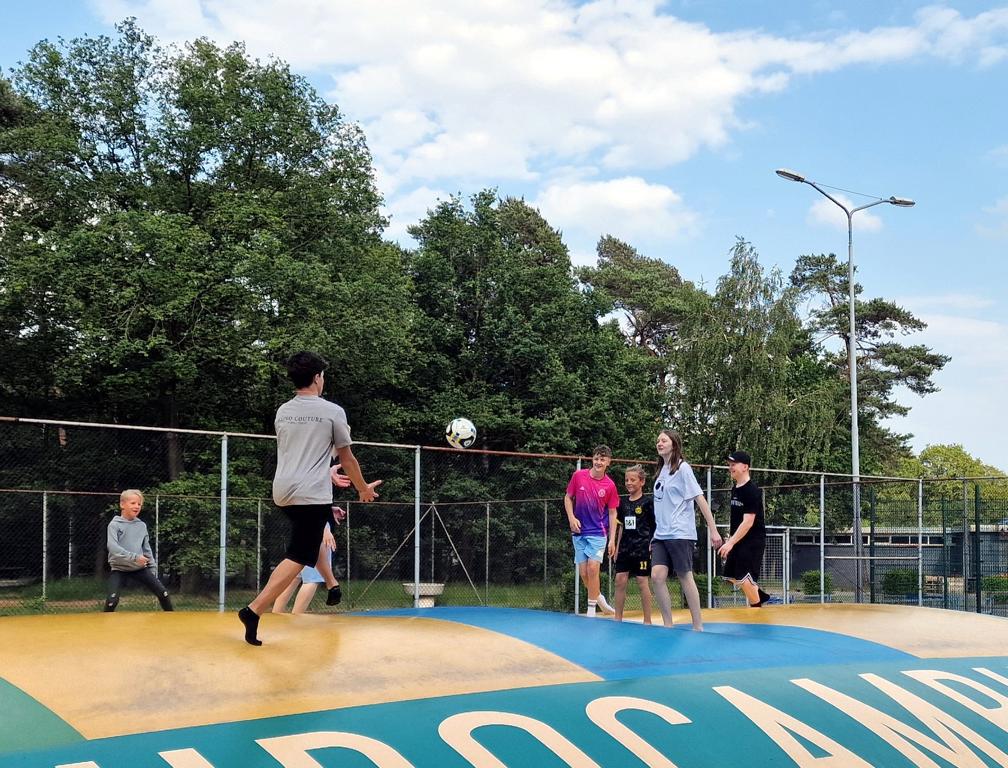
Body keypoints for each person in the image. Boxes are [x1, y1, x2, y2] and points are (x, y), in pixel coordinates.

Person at [239, 351, 379, 645]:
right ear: (317, 378)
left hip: (283, 491)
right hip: (310, 494)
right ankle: (254, 610)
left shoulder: (283, 411)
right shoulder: (333, 412)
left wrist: (326, 472)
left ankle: (331, 584)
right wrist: (363, 488)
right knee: (300, 556)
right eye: (323, 376)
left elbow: (302, 452)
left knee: (311, 541)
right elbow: (347, 458)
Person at [651, 429, 723, 631]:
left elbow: (699, 498)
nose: (659, 443)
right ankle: (668, 624)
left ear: (674, 444)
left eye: (664, 440)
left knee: (684, 575)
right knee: (657, 576)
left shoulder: (683, 468)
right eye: (658, 441)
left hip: (680, 532)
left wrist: (713, 529)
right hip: (661, 534)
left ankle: (698, 625)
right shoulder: (661, 471)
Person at [564, 445, 619, 617]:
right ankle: (600, 600)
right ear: (592, 459)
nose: (598, 462)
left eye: (602, 459)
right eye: (596, 458)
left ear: (608, 462)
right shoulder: (578, 476)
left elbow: (613, 513)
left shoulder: (610, 485)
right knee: (584, 573)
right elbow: (568, 497)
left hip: (598, 532)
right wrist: (571, 518)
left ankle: (591, 610)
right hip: (579, 532)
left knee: (593, 568)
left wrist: (612, 540)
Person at [718, 450, 773, 607]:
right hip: (738, 539)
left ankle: (757, 608)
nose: (730, 467)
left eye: (734, 464)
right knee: (731, 576)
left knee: (744, 578)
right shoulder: (735, 489)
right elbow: (736, 519)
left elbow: (748, 522)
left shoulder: (752, 491)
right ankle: (760, 596)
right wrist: (732, 538)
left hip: (752, 540)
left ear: (745, 467)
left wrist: (730, 543)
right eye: (729, 464)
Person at [104, 489, 173, 612]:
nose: (137, 506)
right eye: (133, 503)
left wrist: (152, 569)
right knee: (111, 601)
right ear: (122, 505)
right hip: (119, 569)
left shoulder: (141, 526)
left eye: (139, 504)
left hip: (139, 569)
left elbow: (146, 549)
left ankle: (172, 620)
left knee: (164, 594)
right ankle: (104, 622)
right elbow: (113, 548)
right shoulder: (114, 525)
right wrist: (135, 557)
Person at [613, 464, 655, 624]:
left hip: (642, 548)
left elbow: (654, 526)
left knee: (642, 581)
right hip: (625, 548)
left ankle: (647, 620)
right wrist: (617, 547)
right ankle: (618, 618)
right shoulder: (622, 503)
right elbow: (621, 527)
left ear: (642, 481)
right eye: (626, 480)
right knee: (619, 579)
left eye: (633, 480)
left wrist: (652, 544)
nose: (629, 483)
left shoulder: (648, 502)